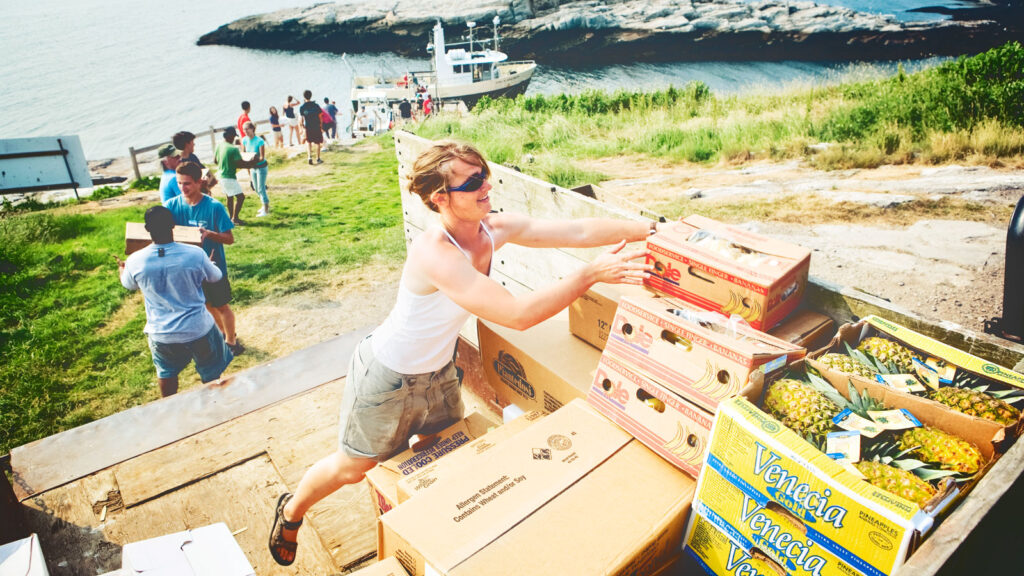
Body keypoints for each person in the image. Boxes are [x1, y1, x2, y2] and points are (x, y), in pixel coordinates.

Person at [266, 140, 657, 566]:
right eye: (473, 182)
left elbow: (577, 232)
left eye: (485, 173)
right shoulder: (436, 253)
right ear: (440, 199)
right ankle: (290, 511)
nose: (487, 185)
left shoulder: (492, 228)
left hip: (439, 373)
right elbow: (518, 314)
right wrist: (591, 274)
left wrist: (651, 232)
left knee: (445, 458)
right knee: (352, 468)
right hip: (388, 377)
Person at [118, 205, 233, 396]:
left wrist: (122, 270)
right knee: (211, 371)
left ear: (147, 229)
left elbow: (129, 285)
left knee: (166, 373)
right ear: (173, 226)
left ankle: (168, 404)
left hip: (161, 333)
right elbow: (215, 277)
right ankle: (216, 403)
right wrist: (209, 263)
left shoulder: (135, 260)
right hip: (198, 328)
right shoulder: (194, 254)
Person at [165, 161, 245, 356]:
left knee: (221, 305)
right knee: (206, 305)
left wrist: (209, 234)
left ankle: (232, 343)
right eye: (179, 183)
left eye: (187, 183)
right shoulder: (171, 206)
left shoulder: (214, 207)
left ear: (199, 182)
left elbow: (229, 239)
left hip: (213, 267)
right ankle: (224, 335)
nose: (182, 188)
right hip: (188, 270)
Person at [214, 127, 261, 225]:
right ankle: (235, 218)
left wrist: (226, 162)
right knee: (241, 197)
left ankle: (231, 217)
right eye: (233, 137)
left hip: (220, 175)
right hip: (229, 177)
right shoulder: (233, 149)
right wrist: (253, 161)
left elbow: (215, 161)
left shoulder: (219, 145)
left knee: (229, 196)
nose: (234, 139)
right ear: (231, 136)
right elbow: (241, 164)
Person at [172, 131, 218, 195]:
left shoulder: (192, 157)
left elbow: (203, 171)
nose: (194, 144)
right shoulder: (179, 163)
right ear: (187, 144)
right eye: (192, 142)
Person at [241, 121, 270, 217]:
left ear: (252, 129)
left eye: (247, 129)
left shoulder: (259, 141)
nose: (245, 131)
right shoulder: (244, 140)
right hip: (252, 167)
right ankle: (264, 204)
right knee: (256, 188)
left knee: (261, 188)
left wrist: (252, 161)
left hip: (261, 167)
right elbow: (244, 154)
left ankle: (266, 209)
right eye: (244, 129)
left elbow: (262, 157)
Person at [299, 90, 323, 165]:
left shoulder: (302, 107)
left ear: (304, 97)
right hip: (316, 126)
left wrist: (302, 127)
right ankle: (318, 158)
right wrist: (321, 125)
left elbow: (301, 119)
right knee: (318, 143)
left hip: (308, 127)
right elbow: (320, 116)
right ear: (311, 96)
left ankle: (309, 157)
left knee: (308, 142)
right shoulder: (316, 105)